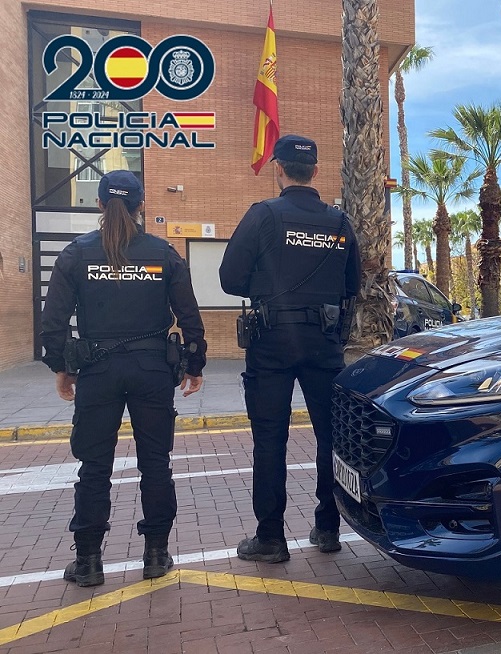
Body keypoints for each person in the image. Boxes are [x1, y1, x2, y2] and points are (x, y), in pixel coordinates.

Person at [40, 170, 206, 587]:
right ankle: (155, 555)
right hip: (152, 371)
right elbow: (189, 316)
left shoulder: (75, 254)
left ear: (98, 205)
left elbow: (53, 321)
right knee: (156, 464)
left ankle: (89, 561)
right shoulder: (164, 253)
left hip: (97, 370)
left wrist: (61, 367)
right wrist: (195, 364)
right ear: (141, 206)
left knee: (94, 467)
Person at [220, 135, 361, 563]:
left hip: (271, 342)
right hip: (324, 341)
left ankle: (270, 538)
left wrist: (267, 285)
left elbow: (230, 278)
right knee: (329, 437)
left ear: (278, 169)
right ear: (316, 172)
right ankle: (328, 526)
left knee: (269, 440)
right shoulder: (339, 222)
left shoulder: (263, 215)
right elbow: (352, 286)